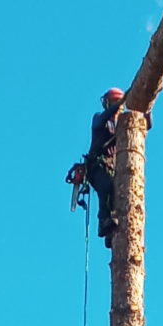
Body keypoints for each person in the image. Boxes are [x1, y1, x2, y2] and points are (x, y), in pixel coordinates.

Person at [66, 87, 126, 245]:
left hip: (112, 167)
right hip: (97, 165)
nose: (118, 107)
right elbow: (104, 116)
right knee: (106, 186)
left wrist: (145, 113)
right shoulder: (99, 118)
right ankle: (103, 222)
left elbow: (147, 125)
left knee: (117, 195)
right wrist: (123, 100)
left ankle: (111, 235)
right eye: (114, 103)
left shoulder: (121, 125)